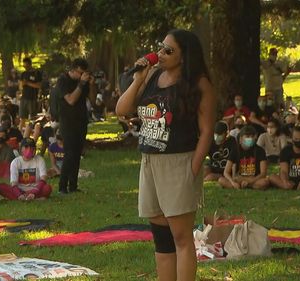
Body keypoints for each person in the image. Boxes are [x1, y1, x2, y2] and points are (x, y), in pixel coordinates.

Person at [115, 29, 216, 281]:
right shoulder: (153, 76)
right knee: (161, 236)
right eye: (161, 48)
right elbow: (122, 110)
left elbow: (206, 131)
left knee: (181, 237)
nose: (160, 54)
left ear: (185, 56)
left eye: (168, 50)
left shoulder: (198, 83)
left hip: (179, 161)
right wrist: (139, 79)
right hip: (150, 160)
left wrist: (194, 167)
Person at [53, 58, 94, 194]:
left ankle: (73, 186)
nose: (82, 75)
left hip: (81, 121)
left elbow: (91, 99)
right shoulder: (63, 81)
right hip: (67, 122)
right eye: (81, 72)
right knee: (69, 154)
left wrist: (90, 84)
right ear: (73, 70)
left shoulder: (82, 82)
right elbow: (71, 100)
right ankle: (62, 186)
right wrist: (81, 84)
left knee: (77, 154)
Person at [218, 125, 269, 190]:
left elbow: (263, 173)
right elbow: (226, 172)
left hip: (254, 178)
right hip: (239, 178)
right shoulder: (235, 150)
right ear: (241, 138)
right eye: (247, 136)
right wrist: (232, 182)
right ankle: (240, 186)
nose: (250, 138)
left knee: (264, 182)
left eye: (252, 136)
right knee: (221, 180)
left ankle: (245, 186)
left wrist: (250, 181)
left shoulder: (260, 150)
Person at [19, 58, 42, 131]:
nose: (25, 68)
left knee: (32, 117)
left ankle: (33, 131)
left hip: (32, 98)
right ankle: (20, 132)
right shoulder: (23, 74)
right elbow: (20, 86)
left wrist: (28, 83)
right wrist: (22, 84)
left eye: (27, 66)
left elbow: (39, 85)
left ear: (30, 64)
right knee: (22, 117)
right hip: (24, 97)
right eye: (24, 66)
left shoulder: (36, 73)